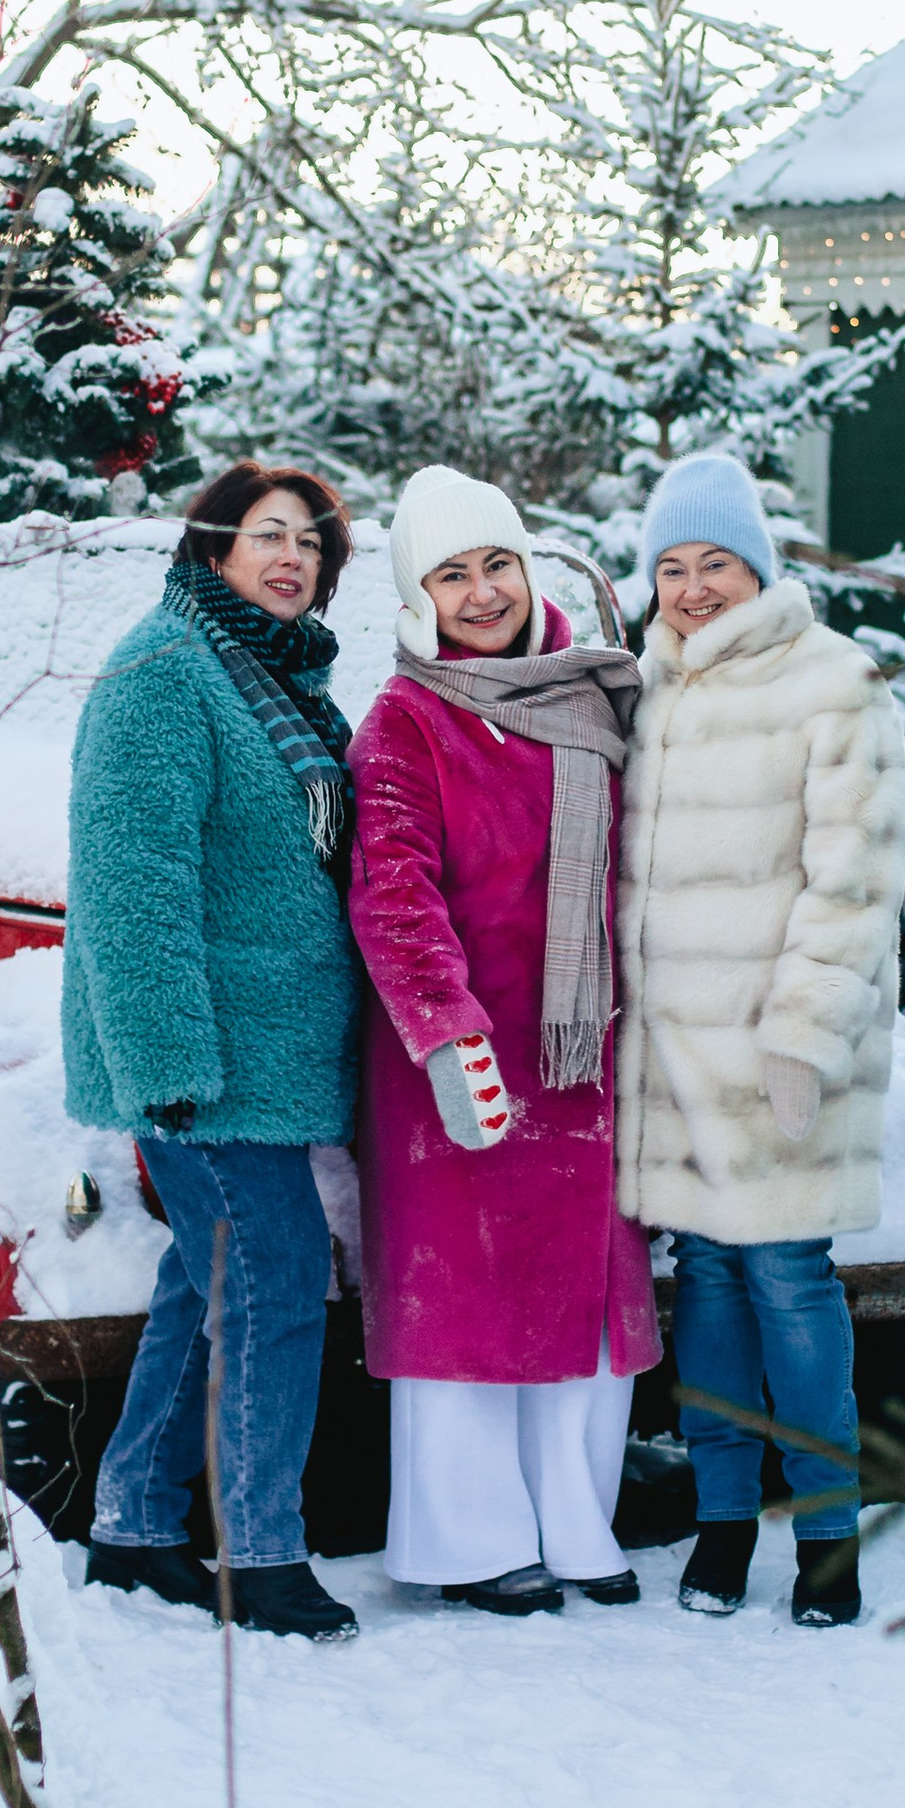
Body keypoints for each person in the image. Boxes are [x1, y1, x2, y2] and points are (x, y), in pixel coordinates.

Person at [63, 462, 364, 1642]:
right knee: (280, 1282)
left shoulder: (272, 678)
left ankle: (137, 1525)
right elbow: (133, 888)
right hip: (207, 1068)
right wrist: (166, 1070)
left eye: (311, 545)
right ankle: (263, 1552)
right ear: (212, 546)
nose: (290, 558)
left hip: (266, 1059)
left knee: (205, 1286)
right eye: (266, 535)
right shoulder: (163, 674)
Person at [614, 453, 905, 1629]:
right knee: (711, 1288)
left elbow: (857, 876)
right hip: (675, 1062)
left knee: (789, 1281)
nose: (692, 589)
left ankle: (829, 1535)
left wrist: (805, 1032)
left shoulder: (833, 682)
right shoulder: (649, 685)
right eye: (672, 568)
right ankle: (726, 1522)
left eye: (715, 564)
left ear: (760, 567)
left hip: (781, 1050)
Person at [349, 467, 655, 1612]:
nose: (481, 592)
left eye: (497, 564)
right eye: (451, 574)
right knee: (467, 1301)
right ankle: (472, 1542)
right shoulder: (405, 721)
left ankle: (576, 1524)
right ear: (418, 596)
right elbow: (393, 893)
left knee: (580, 1299)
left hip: (583, 1055)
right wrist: (444, 1036)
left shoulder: (594, 697)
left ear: (528, 568)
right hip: (460, 1064)